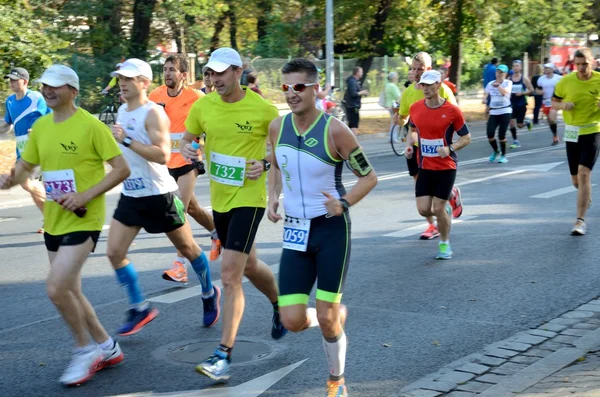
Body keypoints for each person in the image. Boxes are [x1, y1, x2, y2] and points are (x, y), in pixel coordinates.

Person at [0, 64, 130, 386]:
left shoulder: (91, 126)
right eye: (46, 85)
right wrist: (9, 180)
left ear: (73, 90)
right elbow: (26, 166)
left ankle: (85, 349)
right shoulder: (42, 127)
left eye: (56, 85)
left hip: (85, 218)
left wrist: (85, 194)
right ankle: (107, 346)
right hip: (54, 219)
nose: (48, 90)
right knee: (70, 289)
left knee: (56, 288)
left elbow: (120, 169)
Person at [267, 58, 377, 397]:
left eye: (298, 87)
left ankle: (336, 381)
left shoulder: (335, 130)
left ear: (316, 88)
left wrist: (343, 203)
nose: (291, 94)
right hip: (296, 233)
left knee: (328, 321)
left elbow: (369, 177)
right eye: (286, 87)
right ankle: (333, 314)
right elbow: (274, 162)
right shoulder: (277, 127)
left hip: (331, 231)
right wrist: (273, 196)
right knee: (291, 320)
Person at [180, 47, 287, 381]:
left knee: (229, 275)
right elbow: (188, 138)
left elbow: (283, 149)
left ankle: (222, 355)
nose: (214, 79)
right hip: (221, 201)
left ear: (238, 72)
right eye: (210, 73)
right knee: (251, 265)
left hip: (249, 199)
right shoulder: (203, 105)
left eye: (221, 73)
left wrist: (266, 163)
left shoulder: (262, 110)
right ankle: (280, 305)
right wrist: (187, 147)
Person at [105, 58, 220, 336]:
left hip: (159, 194)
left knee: (190, 249)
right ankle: (139, 307)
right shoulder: (121, 110)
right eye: (120, 78)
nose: (122, 83)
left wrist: (128, 141)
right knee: (114, 252)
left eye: (128, 79)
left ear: (143, 83)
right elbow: (124, 155)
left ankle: (208, 292)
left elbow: (162, 155)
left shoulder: (153, 113)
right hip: (132, 193)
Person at [148, 54, 223, 283]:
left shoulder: (196, 97)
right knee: (191, 208)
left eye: (172, 69)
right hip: (165, 162)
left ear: (183, 75)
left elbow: (211, 118)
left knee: (178, 207)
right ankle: (217, 233)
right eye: (165, 69)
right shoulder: (155, 95)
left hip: (189, 159)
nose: (168, 73)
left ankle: (180, 266)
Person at [406, 70, 471, 259]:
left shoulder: (452, 111)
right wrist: (410, 145)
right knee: (424, 209)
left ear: (439, 85)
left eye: (429, 84)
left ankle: (444, 244)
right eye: (423, 85)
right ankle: (452, 194)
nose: (425, 88)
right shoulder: (416, 108)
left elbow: (466, 138)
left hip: (446, 166)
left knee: (438, 209)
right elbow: (411, 130)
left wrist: (450, 148)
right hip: (424, 165)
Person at [398, 52, 463, 240]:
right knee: (421, 190)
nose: (417, 73)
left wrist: (449, 145)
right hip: (417, 146)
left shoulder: (441, 89)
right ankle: (432, 224)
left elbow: (454, 115)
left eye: (421, 69)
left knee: (436, 195)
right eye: (414, 69)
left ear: (429, 70)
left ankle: (449, 196)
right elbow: (404, 119)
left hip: (439, 149)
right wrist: (400, 120)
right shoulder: (409, 92)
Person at [552, 47, 600, 235]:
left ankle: (579, 220)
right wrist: (563, 105)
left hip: (593, 130)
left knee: (584, 173)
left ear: (592, 62)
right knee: (575, 180)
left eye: (585, 64)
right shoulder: (566, 81)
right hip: (572, 132)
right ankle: (584, 193)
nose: (581, 68)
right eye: (578, 64)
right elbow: (553, 102)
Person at [1, 67, 48, 230]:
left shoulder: (36, 98)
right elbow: (7, 124)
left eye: (15, 79)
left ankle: (55, 212)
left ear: (25, 81)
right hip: (22, 148)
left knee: (26, 183)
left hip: (39, 145)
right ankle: (50, 220)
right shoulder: (10, 101)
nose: (12, 83)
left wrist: (38, 129)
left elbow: (51, 116)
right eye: (10, 80)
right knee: (29, 186)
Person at [482, 64, 512, 163]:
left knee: (501, 135)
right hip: (494, 111)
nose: (499, 74)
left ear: (505, 74)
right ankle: (496, 151)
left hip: (505, 111)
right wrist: (484, 99)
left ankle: (504, 155)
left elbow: (504, 93)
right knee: (490, 134)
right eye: (497, 72)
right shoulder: (490, 83)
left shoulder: (508, 83)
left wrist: (498, 85)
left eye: (501, 72)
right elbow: (486, 93)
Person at [508, 60, 534, 148]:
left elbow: (531, 89)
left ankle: (527, 122)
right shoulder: (509, 79)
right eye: (514, 66)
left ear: (521, 67)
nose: (515, 67)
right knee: (511, 123)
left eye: (517, 66)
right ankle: (516, 141)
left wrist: (522, 93)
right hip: (511, 104)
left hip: (521, 104)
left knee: (519, 125)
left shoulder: (524, 79)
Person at [536, 63, 562, 145]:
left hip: (555, 101)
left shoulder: (559, 78)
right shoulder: (541, 79)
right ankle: (555, 135)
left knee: (552, 117)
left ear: (552, 69)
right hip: (545, 101)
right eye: (545, 68)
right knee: (550, 121)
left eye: (547, 68)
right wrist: (540, 92)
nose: (546, 69)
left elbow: (564, 87)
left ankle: (555, 137)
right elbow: (537, 89)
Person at [343, 66, 369, 135]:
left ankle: (351, 140)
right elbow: (353, 94)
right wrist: (362, 92)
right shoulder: (352, 82)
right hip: (352, 105)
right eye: (361, 72)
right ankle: (353, 141)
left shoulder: (355, 81)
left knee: (353, 123)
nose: (362, 73)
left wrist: (362, 92)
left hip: (353, 105)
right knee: (354, 123)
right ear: (357, 73)